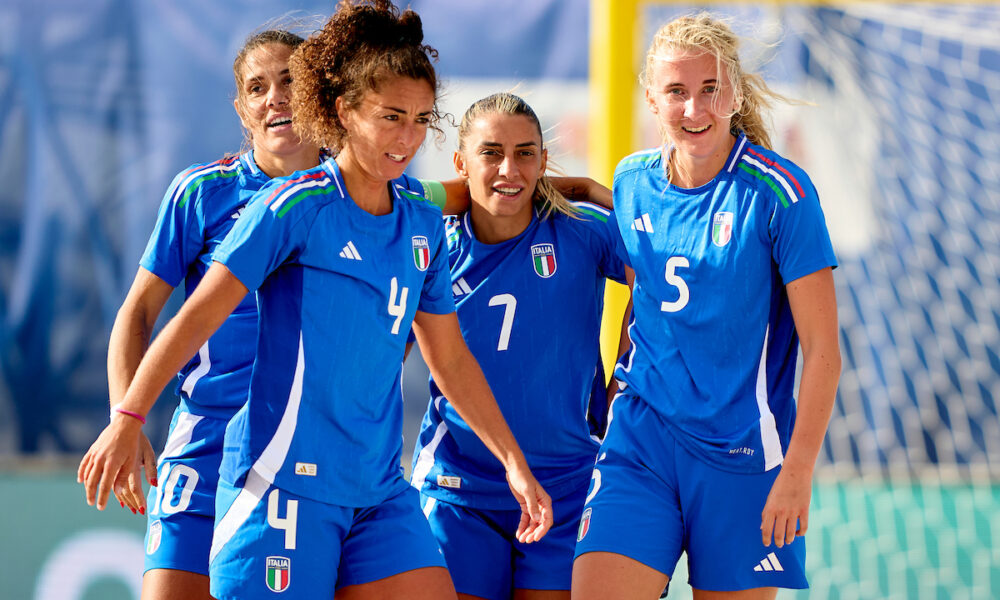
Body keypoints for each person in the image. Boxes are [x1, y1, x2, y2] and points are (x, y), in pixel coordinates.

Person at [78, 2, 552, 599]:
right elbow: (191, 313)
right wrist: (127, 415)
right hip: (269, 475)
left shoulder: (420, 218)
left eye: (420, 120)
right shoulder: (282, 205)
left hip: (377, 488)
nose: (408, 137)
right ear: (343, 110)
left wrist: (512, 461)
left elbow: (450, 356)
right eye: (390, 117)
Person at [572, 13, 841, 600]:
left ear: (735, 93)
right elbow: (641, 290)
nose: (693, 109)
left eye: (709, 89)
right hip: (641, 439)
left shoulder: (781, 195)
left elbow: (824, 352)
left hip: (742, 455)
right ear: (651, 97)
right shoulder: (631, 180)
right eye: (676, 92)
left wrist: (797, 471)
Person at [82, 28, 326, 600]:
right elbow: (138, 312)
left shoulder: (358, 194)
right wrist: (128, 415)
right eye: (257, 88)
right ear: (242, 110)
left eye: (289, 79)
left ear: (318, 89)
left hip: (307, 454)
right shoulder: (202, 192)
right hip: (207, 441)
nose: (275, 98)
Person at [410, 93, 624, 600]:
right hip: (459, 486)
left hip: (566, 484)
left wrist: (623, 380)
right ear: (460, 163)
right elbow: (388, 194)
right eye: (491, 153)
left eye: (526, 153)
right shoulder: (432, 246)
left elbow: (661, 258)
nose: (510, 167)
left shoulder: (582, 231)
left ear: (544, 162)